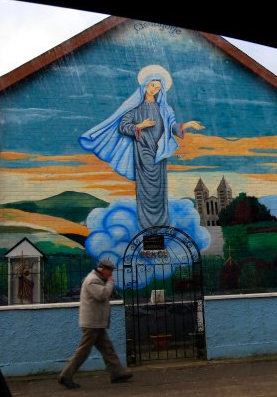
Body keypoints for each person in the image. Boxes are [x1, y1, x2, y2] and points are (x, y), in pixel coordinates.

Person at [79, 64, 204, 229]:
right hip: (143, 151)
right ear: (145, 84)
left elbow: (172, 126)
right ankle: (146, 226)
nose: (154, 89)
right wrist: (140, 126)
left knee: (159, 191)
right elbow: (122, 126)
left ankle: (160, 226)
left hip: (159, 154)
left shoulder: (165, 109)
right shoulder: (135, 108)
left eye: (158, 88)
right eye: (152, 85)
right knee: (146, 190)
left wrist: (187, 125)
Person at [58, 259, 133, 389]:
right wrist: (110, 283)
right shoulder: (93, 280)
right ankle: (66, 376)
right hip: (92, 323)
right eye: (109, 272)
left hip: (96, 322)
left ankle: (117, 373)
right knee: (83, 351)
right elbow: (102, 295)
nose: (111, 275)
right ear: (102, 269)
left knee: (107, 348)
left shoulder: (96, 279)